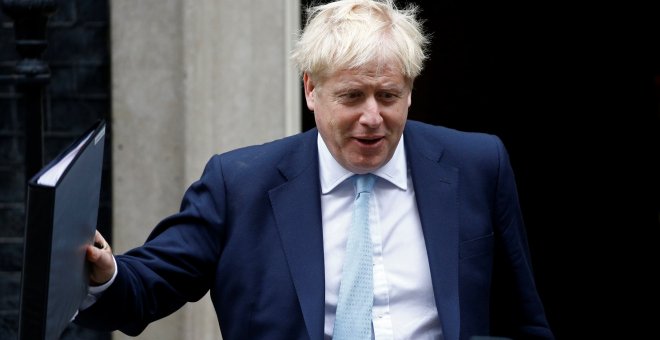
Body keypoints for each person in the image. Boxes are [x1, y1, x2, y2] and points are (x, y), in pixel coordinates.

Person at [75, 0, 554, 339]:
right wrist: (104, 271)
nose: (372, 117)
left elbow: (524, 319)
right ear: (311, 90)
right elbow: (147, 287)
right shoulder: (238, 183)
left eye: (388, 96)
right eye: (351, 96)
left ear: (409, 91)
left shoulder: (476, 165)